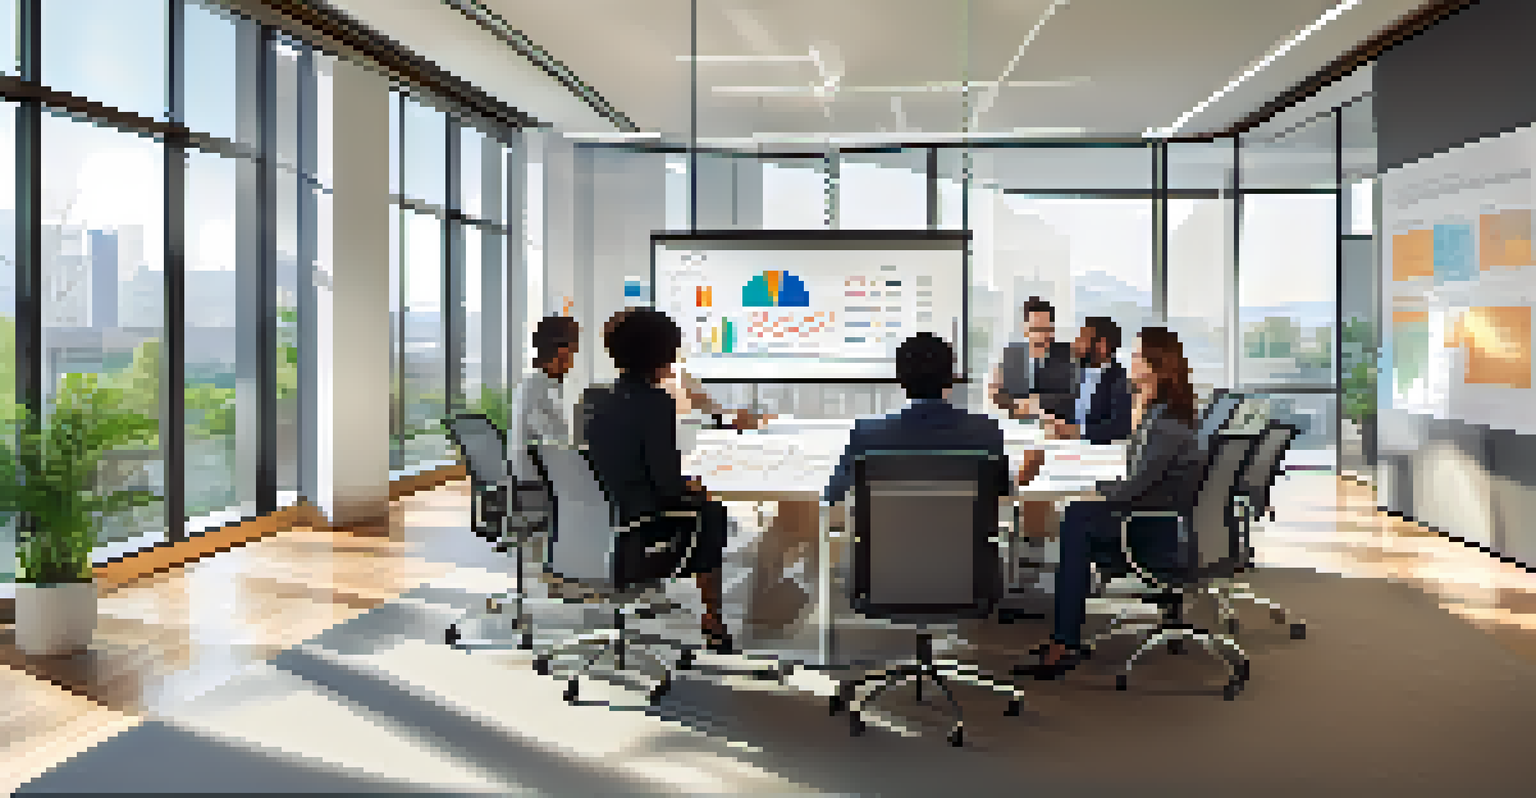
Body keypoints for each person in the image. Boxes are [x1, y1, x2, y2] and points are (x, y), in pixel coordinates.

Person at [1020, 327, 1210, 680]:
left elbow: (1135, 486)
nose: (1130, 361)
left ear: (1157, 366)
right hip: (1163, 520)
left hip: (1154, 530)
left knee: (1077, 518)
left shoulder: (1165, 423)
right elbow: (1142, 476)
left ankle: (1065, 642)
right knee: (1079, 516)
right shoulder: (1164, 414)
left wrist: (1093, 487)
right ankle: (1065, 636)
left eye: (1138, 356)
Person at [582, 308, 736, 654]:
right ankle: (713, 619)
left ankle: (708, 616)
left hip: (598, 526)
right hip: (639, 530)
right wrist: (691, 488)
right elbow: (667, 487)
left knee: (698, 504)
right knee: (712, 512)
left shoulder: (595, 400)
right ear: (662, 354)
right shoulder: (656, 403)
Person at [507, 315, 580, 516]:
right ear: (563, 352)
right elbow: (559, 443)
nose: (574, 358)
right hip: (539, 488)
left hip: (535, 480)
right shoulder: (541, 390)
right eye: (575, 350)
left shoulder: (534, 384)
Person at [1043, 316, 1133, 444]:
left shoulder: (1119, 379)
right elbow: (1061, 399)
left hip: (1094, 448)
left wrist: (1078, 431)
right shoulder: (1075, 370)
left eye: (1083, 338)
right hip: (1063, 443)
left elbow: (1120, 427)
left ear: (1102, 346)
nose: (1076, 342)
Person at [989, 297, 1077, 423]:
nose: (1040, 336)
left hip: (1054, 424)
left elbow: (1072, 397)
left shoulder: (1066, 355)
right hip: (1015, 423)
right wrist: (1015, 405)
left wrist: (1036, 403)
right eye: (1035, 329)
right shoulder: (1011, 355)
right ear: (1025, 329)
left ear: (1052, 329)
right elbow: (999, 394)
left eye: (1045, 329)